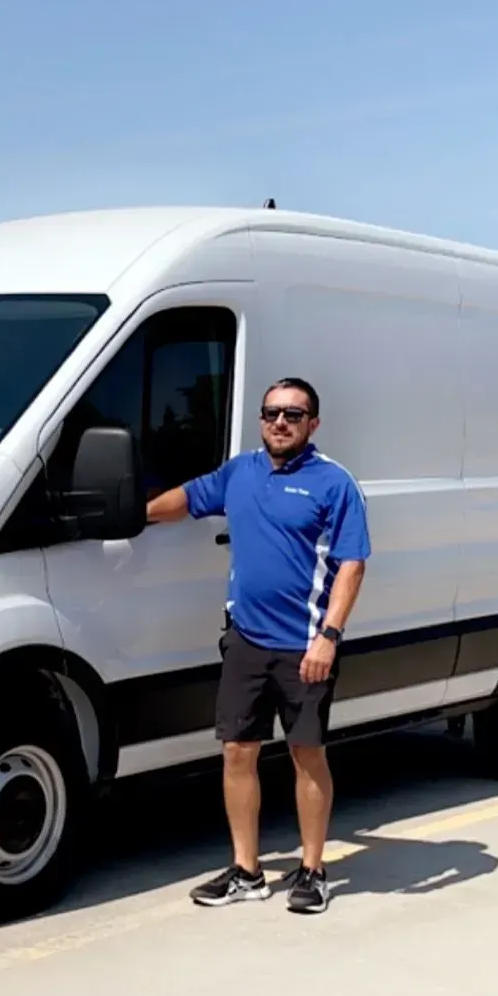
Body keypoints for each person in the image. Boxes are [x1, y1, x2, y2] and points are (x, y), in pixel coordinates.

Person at [146, 378, 370, 915]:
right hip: (246, 640)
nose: (280, 422)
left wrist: (329, 638)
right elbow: (188, 499)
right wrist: (135, 511)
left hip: (306, 646)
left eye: (293, 414)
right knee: (237, 751)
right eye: (271, 413)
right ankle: (247, 871)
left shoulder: (334, 483)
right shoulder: (239, 473)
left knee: (306, 754)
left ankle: (313, 870)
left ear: (313, 423)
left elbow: (352, 565)